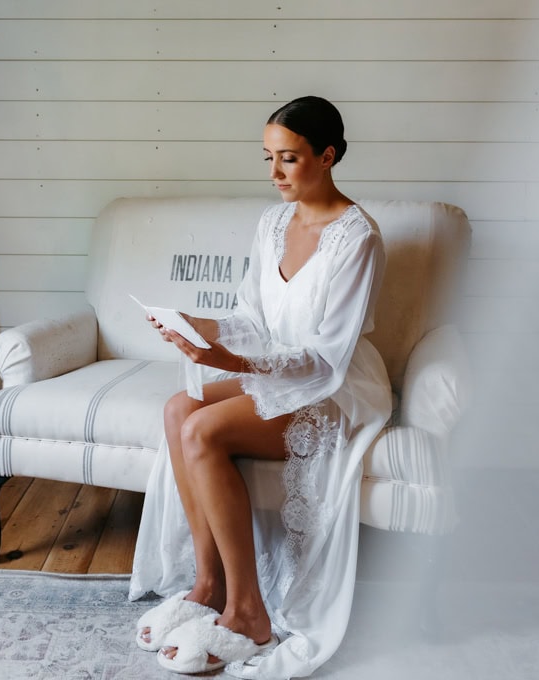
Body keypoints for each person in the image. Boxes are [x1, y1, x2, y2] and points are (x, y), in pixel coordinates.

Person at [129, 96, 393, 677]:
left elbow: (328, 356)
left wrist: (228, 360)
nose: (273, 173)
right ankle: (208, 583)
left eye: (289, 159)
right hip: (281, 367)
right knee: (179, 409)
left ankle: (250, 613)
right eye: (269, 157)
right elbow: (253, 319)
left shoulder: (358, 238)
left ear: (327, 157)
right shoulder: (272, 223)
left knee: (201, 430)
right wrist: (202, 326)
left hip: (334, 384)